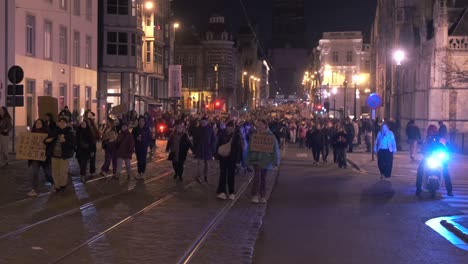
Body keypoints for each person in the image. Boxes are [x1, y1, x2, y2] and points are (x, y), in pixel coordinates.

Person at [247, 119, 280, 204]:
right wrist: (247, 159)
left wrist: (275, 161)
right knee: (257, 177)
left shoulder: (271, 136)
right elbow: (249, 148)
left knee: (263, 178)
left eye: (261, 124)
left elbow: (274, 149)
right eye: (258, 124)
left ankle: (262, 195)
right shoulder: (254, 135)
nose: (259, 126)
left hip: (265, 160)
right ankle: (255, 195)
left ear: (265, 125)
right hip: (256, 159)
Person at [416, 125, 453, 196]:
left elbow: (446, 147)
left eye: (433, 131)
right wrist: (424, 153)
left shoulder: (440, 139)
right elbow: (423, 148)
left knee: (446, 171)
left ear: (436, 131)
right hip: (428, 158)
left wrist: (446, 153)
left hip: (439, 158)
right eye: (430, 131)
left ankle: (449, 190)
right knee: (420, 169)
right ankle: (418, 188)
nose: (431, 132)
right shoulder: (426, 140)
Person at [44, 117, 75, 192]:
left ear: (66, 124)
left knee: (63, 171)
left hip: (63, 156)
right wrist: (47, 140)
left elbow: (73, 144)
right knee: (55, 171)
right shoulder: (55, 131)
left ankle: (62, 185)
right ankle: (57, 186)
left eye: (63, 122)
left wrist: (65, 141)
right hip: (54, 155)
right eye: (60, 122)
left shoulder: (69, 132)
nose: (62, 123)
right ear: (58, 123)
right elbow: (46, 140)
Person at [215, 121, 243, 200]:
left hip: (232, 158)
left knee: (231, 175)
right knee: (223, 174)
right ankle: (222, 191)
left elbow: (239, 149)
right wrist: (217, 156)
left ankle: (231, 192)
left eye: (231, 127)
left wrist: (238, 160)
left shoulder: (237, 136)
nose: (230, 129)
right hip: (223, 157)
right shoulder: (222, 134)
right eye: (229, 127)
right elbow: (218, 145)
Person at [27, 119, 52, 196]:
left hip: (44, 157)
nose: (38, 124)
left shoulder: (47, 133)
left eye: (39, 123)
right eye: (36, 123)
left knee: (47, 172)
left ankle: (54, 184)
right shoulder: (32, 132)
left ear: (42, 124)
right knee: (35, 173)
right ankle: (34, 189)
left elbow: (50, 145)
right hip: (35, 157)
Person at [193, 117, 216, 183]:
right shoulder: (198, 129)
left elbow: (213, 139)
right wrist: (195, 149)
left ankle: (206, 176)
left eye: (204, 122)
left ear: (207, 122)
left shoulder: (210, 129)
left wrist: (212, 148)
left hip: (208, 149)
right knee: (199, 163)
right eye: (202, 122)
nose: (203, 123)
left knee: (207, 164)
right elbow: (195, 140)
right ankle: (198, 176)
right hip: (200, 149)